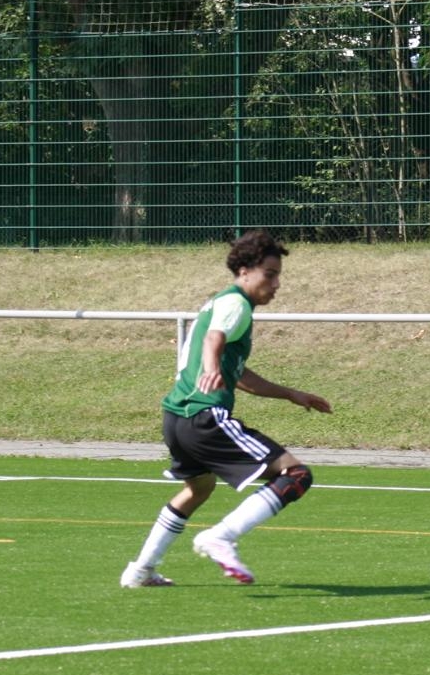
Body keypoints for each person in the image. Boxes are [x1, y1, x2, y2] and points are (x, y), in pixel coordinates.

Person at [120, 229, 332, 588]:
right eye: (270, 274)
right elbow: (213, 340)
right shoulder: (236, 304)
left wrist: (290, 394)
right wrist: (212, 367)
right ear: (245, 271)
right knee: (296, 475)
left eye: (278, 275)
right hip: (205, 417)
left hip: (176, 419)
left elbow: (240, 376)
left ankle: (141, 570)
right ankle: (221, 536)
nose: (276, 284)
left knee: (198, 489)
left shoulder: (220, 303)